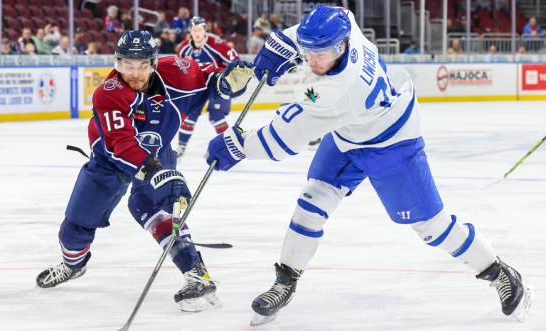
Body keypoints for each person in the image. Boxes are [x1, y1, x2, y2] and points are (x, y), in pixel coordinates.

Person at [205, 5, 534, 326]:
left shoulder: (336, 92)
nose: (311, 59)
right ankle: (286, 280)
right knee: (313, 198)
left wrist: (235, 145)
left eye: (319, 52)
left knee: (431, 226)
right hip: (352, 130)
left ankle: (500, 273)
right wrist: (282, 45)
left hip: (392, 143)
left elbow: (283, 140)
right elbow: (323, 24)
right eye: (308, 51)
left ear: (341, 45)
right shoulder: (348, 26)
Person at [35, 30, 252, 312]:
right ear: (117, 63)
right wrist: (156, 173)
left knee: (153, 207)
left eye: (142, 65)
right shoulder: (108, 93)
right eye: (127, 65)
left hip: (158, 151)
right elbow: (121, 144)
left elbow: (210, 77)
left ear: (154, 63)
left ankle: (196, 273)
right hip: (109, 159)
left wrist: (226, 83)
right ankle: (73, 266)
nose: (134, 73)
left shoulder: (179, 73)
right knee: (73, 230)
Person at [176, 16, 240, 161]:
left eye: (200, 29)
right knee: (189, 115)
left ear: (205, 30)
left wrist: (230, 81)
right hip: (196, 87)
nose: (197, 33)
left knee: (216, 116)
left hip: (217, 86)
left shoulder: (216, 43)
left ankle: (229, 148)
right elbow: (179, 69)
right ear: (190, 31)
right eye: (194, 30)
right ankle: (181, 148)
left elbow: (235, 61)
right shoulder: (184, 48)